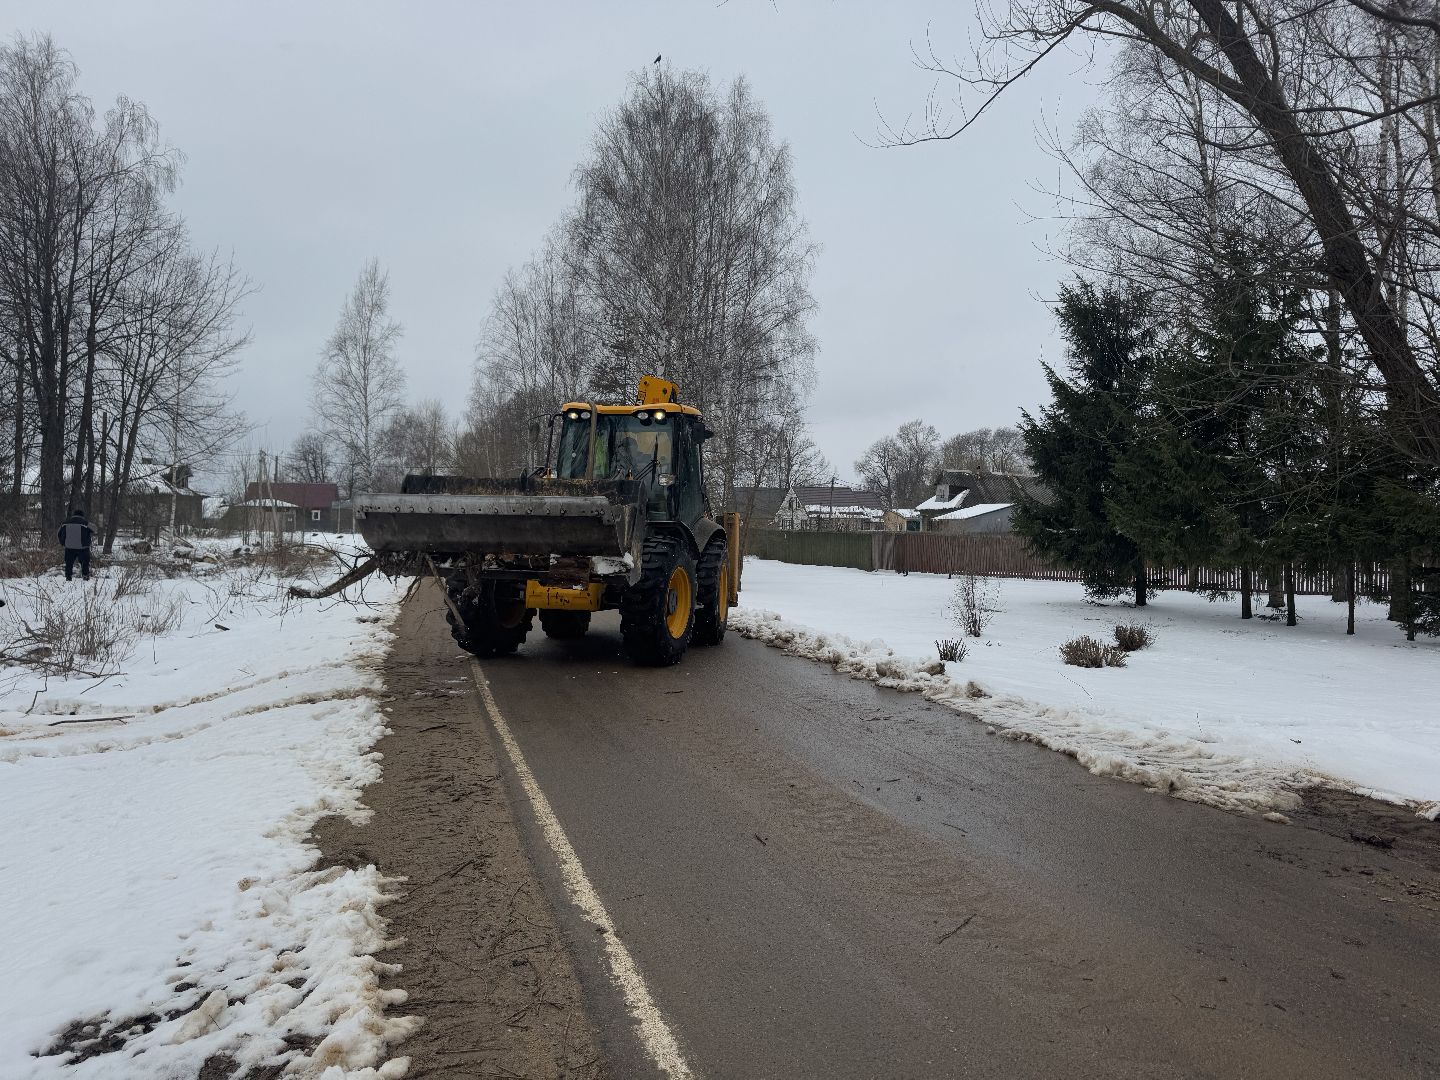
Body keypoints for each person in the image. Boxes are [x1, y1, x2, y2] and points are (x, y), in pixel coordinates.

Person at [58, 508, 93, 581]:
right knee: (85, 563)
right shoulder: (85, 523)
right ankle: (85, 577)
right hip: (83, 548)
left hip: (69, 547)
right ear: (82, 516)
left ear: (74, 515)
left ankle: (68, 578)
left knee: (69, 563)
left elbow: (59, 533)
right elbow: (95, 529)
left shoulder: (65, 523)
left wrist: (63, 543)